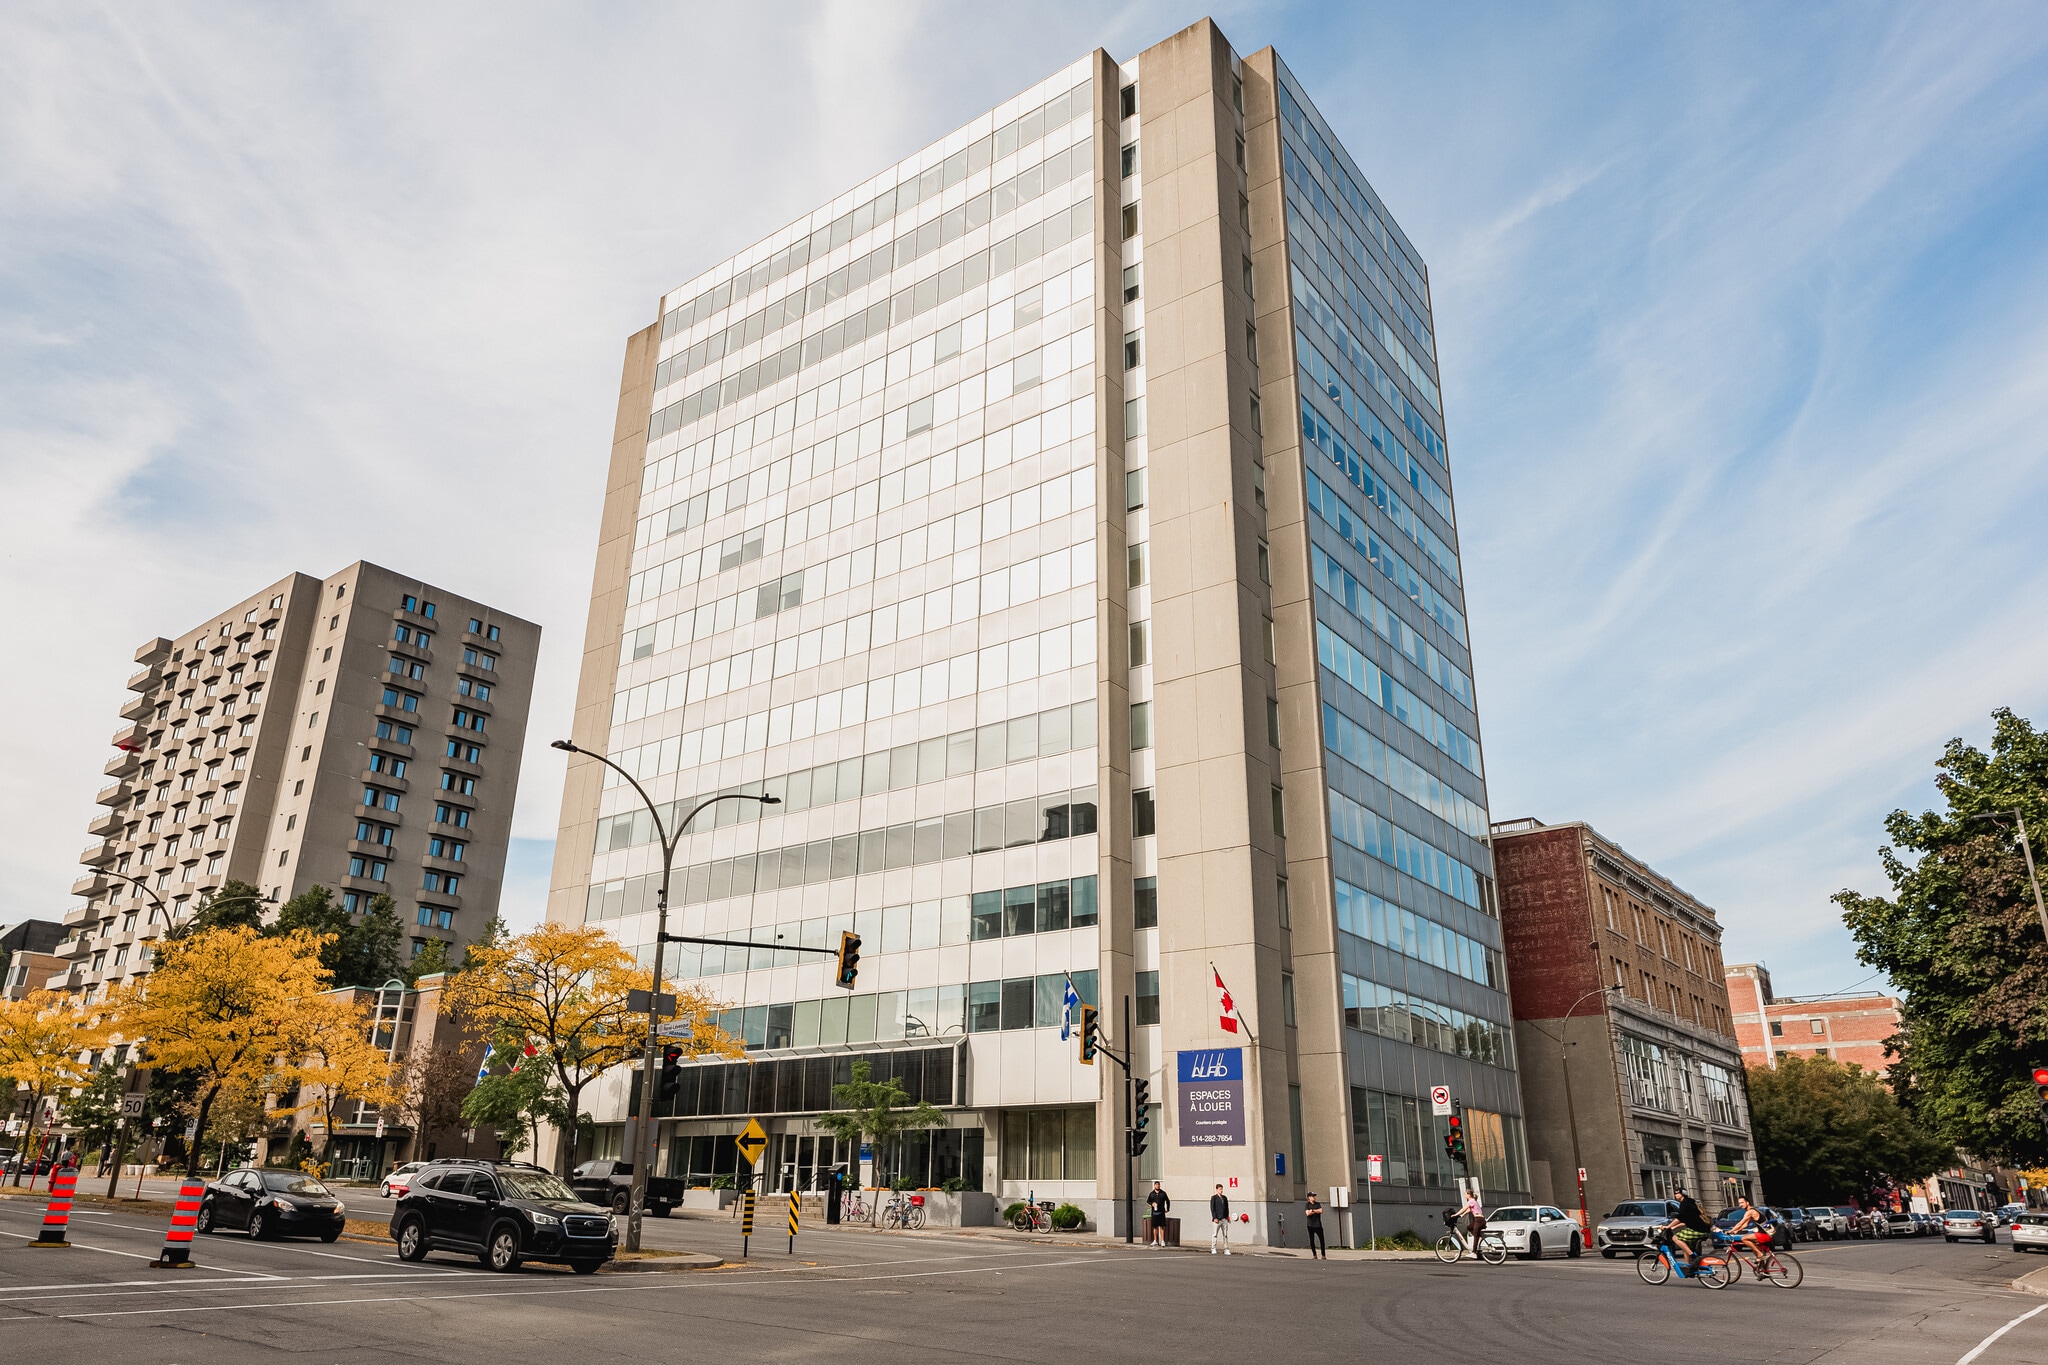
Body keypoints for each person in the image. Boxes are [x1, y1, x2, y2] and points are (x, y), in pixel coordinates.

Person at [1662, 1185, 1713, 1271]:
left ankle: (1693, 1257)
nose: (1675, 1195)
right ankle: (1688, 1266)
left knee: (1675, 1238)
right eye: (1675, 1193)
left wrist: (1668, 1226)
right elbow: (1687, 1220)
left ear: (1682, 1194)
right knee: (1684, 1244)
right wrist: (1674, 1227)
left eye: (1677, 1193)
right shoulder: (1690, 1202)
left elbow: (1680, 1218)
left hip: (1697, 1230)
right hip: (1702, 1229)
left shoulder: (1684, 1204)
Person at [1146, 1181, 1171, 1247]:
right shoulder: (1152, 1194)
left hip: (1161, 1212)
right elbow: (1148, 1201)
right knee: (1155, 1227)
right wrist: (1152, 1204)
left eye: (1158, 1185)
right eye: (1156, 1185)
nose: (1157, 1186)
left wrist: (1167, 1209)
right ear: (1154, 1186)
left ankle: (1162, 1240)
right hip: (1154, 1213)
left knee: (1162, 1226)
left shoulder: (1163, 1193)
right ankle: (1155, 1240)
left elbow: (1168, 1201)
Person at [1303, 1192, 1327, 1259]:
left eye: (1314, 1196)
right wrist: (1314, 1211)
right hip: (1310, 1225)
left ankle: (1323, 1255)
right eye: (1313, 1196)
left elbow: (1321, 1211)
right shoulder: (1307, 1204)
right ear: (1309, 1197)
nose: (1314, 1197)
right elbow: (1307, 1213)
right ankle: (1314, 1254)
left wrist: (1313, 1210)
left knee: (1322, 1240)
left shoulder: (1317, 1204)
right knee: (1312, 1240)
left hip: (1318, 1225)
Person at [1210, 1184, 1232, 1255]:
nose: (1221, 1190)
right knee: (1215, 1234)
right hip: (1217, 1219)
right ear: (1216, 1190)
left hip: (1224, 1219)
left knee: (1225, 1235)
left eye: (1222, 1189)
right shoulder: (1214, 1198)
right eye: (1220, 1189)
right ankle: (1213, 1248)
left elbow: (1227, 1208)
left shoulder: (1224, 1198)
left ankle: (1226, 1249)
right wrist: (1214, 1217)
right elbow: (1212, 1208)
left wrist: (1227, 1217)